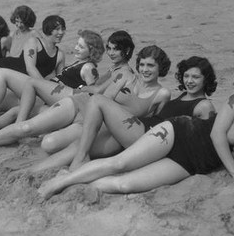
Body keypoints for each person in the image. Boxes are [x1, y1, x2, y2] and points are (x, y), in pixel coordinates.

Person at [38, 57, 234, 200]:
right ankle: (63, 180)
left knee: (124, 185)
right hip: (181, 133)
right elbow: (217, 133)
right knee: (119, 164)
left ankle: (74, 186)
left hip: (196, 163)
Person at [0, 36, 171, 157]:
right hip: (76, 105)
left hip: (91, 119)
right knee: (26, 126)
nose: (145, 69)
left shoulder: (150, 87)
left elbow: (145, 119)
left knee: (46, 140)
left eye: (150, 66)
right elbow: (102, 95)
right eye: (143, 64)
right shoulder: (126, 77)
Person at [31, 56, 217, 173]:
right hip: (137, 129)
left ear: (206, 80)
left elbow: (203, 139)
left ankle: (80, 161)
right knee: (79, 145)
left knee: (97, 101)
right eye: (187, 76)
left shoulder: (204, 105)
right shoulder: (181, 96)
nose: (190, 81)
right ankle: (32, 172)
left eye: (196, 77)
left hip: (145, 135)